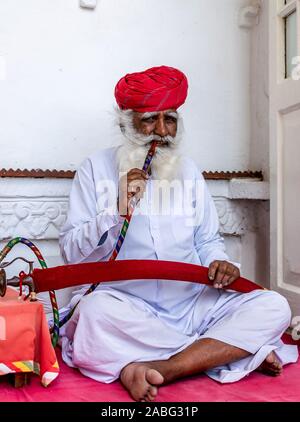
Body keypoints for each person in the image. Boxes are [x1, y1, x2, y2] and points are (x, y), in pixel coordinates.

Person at [59, 65, 298, 402]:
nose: (161, 131)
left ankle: (162, 366)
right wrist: (115, 210)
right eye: (149, 120)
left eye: (169, 119)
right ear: (125, 124)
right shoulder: (95, 169)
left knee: (274, 306)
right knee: (93, 315)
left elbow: (208, 241)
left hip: (192, 302)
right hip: (126, 303)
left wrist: (219, 262)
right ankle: (231, 351)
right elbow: (71, 252)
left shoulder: (188, 171)